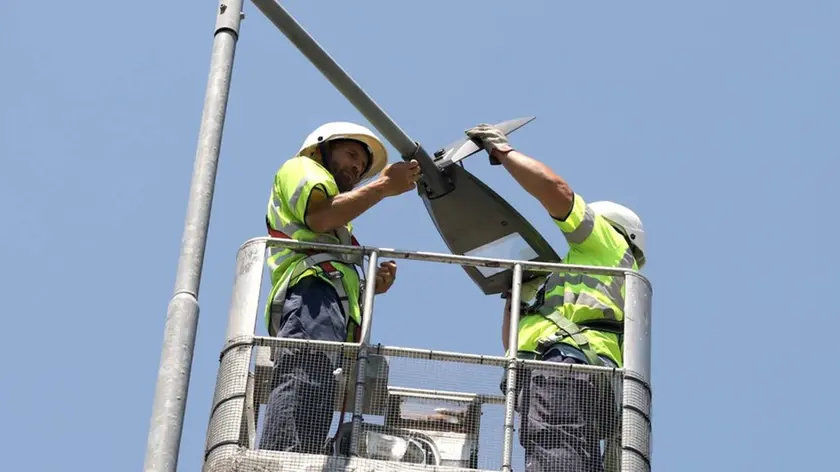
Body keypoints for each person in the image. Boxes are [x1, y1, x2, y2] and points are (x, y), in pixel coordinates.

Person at [465, 123, 647, 472]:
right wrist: (513, 298)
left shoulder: (606, 243)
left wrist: (503, 152)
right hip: (561, 374)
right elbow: (512, 342)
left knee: (557, 457)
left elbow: (556, 190)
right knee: (561, 456)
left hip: (566, 367)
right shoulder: (578, 280)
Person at [259, 121, 422, 454]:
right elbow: (319, 217)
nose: (356, 167)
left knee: (317, 387)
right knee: (305, 373)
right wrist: (382, 187)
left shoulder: (341, 225)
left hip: (323, 301)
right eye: (350, 155)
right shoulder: (301, 168)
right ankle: (283, 456)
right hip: (310, 295)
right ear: (321, 150)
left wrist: (368, 290)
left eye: (361, 166)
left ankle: (300, 455)